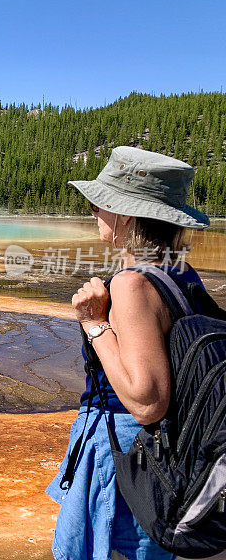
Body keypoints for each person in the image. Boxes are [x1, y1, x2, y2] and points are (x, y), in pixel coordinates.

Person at [44, 146, 211, 560]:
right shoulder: (181, 273)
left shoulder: (131, 285)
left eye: (102, 202)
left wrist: (93, 322)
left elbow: (147, 400)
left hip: (130, 459)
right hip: (173, 453)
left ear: (125, 214)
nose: (94, 210)